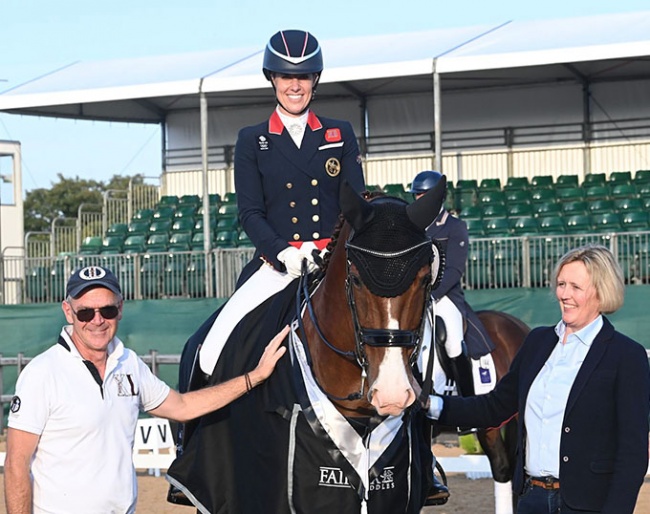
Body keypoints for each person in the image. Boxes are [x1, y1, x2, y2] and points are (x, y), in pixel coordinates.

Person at [4, 265, 288, 514]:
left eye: (108, 309)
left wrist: (253, 377)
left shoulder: (129, 363)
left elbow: (183, 407)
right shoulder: (42, 373)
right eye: (85, 312)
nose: (97, 320)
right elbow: (17, 464)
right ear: (68, 311)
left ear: (121, 308)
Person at [425, 244, 650, 514]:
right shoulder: (538, 342)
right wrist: (430, 404)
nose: (564, 295)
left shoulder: (627, 356)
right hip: (531, 500)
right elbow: (495, 407)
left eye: (576, 287)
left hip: (588, 505)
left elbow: (633, 452)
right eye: (561, 284)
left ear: (601, 293)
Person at [197, 29, 365, 376]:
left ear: (315, 79)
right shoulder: (251, 139)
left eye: (303, 76)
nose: (294, 85)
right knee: (211, 349)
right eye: (286, 75)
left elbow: (356, 204)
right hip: (279, 264)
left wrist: (335, 251)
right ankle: (196, 425)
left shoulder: (340, 133)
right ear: (272, 78)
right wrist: (283, 253)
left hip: (331, 262)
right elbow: (251, 213)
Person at [409, 170, 495, 398]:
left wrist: (430, 294)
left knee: (453, 342)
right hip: (411, 296)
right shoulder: (409, 227)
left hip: (443, 296)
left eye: (424, 195)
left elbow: (455, 269)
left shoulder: (454, 226)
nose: (419, 200)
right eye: (416, 195)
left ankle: (467, 402)